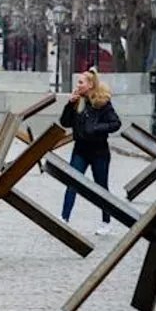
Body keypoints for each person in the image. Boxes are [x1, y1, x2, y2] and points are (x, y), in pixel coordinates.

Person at [59, 68, 121, 235]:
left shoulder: (102, 103)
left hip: (99, 152)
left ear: (91, 84)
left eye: (81, 82)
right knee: (72, 182)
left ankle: (106, 222)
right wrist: (70, 104)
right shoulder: (77, 101)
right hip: (80, 150)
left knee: (101, 188)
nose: (77, 85)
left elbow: (116, 123)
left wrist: (96, 128)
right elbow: (65, 122)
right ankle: (64, 218)